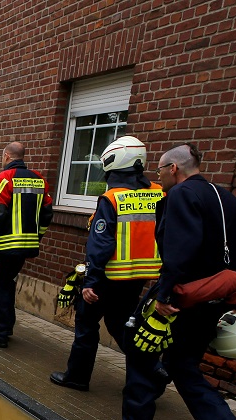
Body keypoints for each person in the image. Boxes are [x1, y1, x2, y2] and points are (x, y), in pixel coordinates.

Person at [106, 143, 236, 420]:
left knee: (140, 350)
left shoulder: (179, 196)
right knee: (182, 363)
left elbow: (180, 250)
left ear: (173, 168)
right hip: (214, 299)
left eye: (160, 170)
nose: (157, 176)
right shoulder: (226, 197)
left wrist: (165, 297)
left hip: (180, 297)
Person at [50, 136, 163, 391]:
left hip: (107, 278)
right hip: (140, 277)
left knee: (87, 327)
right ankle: (153, 369)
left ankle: (76, 377)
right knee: (121, 323)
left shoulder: (112, 199)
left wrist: (90, 281)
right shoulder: (159, 193)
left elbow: (100, 245)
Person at [0, 141, 53, 348]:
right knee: (8, 284)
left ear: (7, 156)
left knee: (0, 287)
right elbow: (46, 214)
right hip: (26, 246)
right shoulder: (39, 179)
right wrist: (37, 237)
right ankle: (6, 327)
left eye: (2, 157)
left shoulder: (5, 178)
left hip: (7, 246)